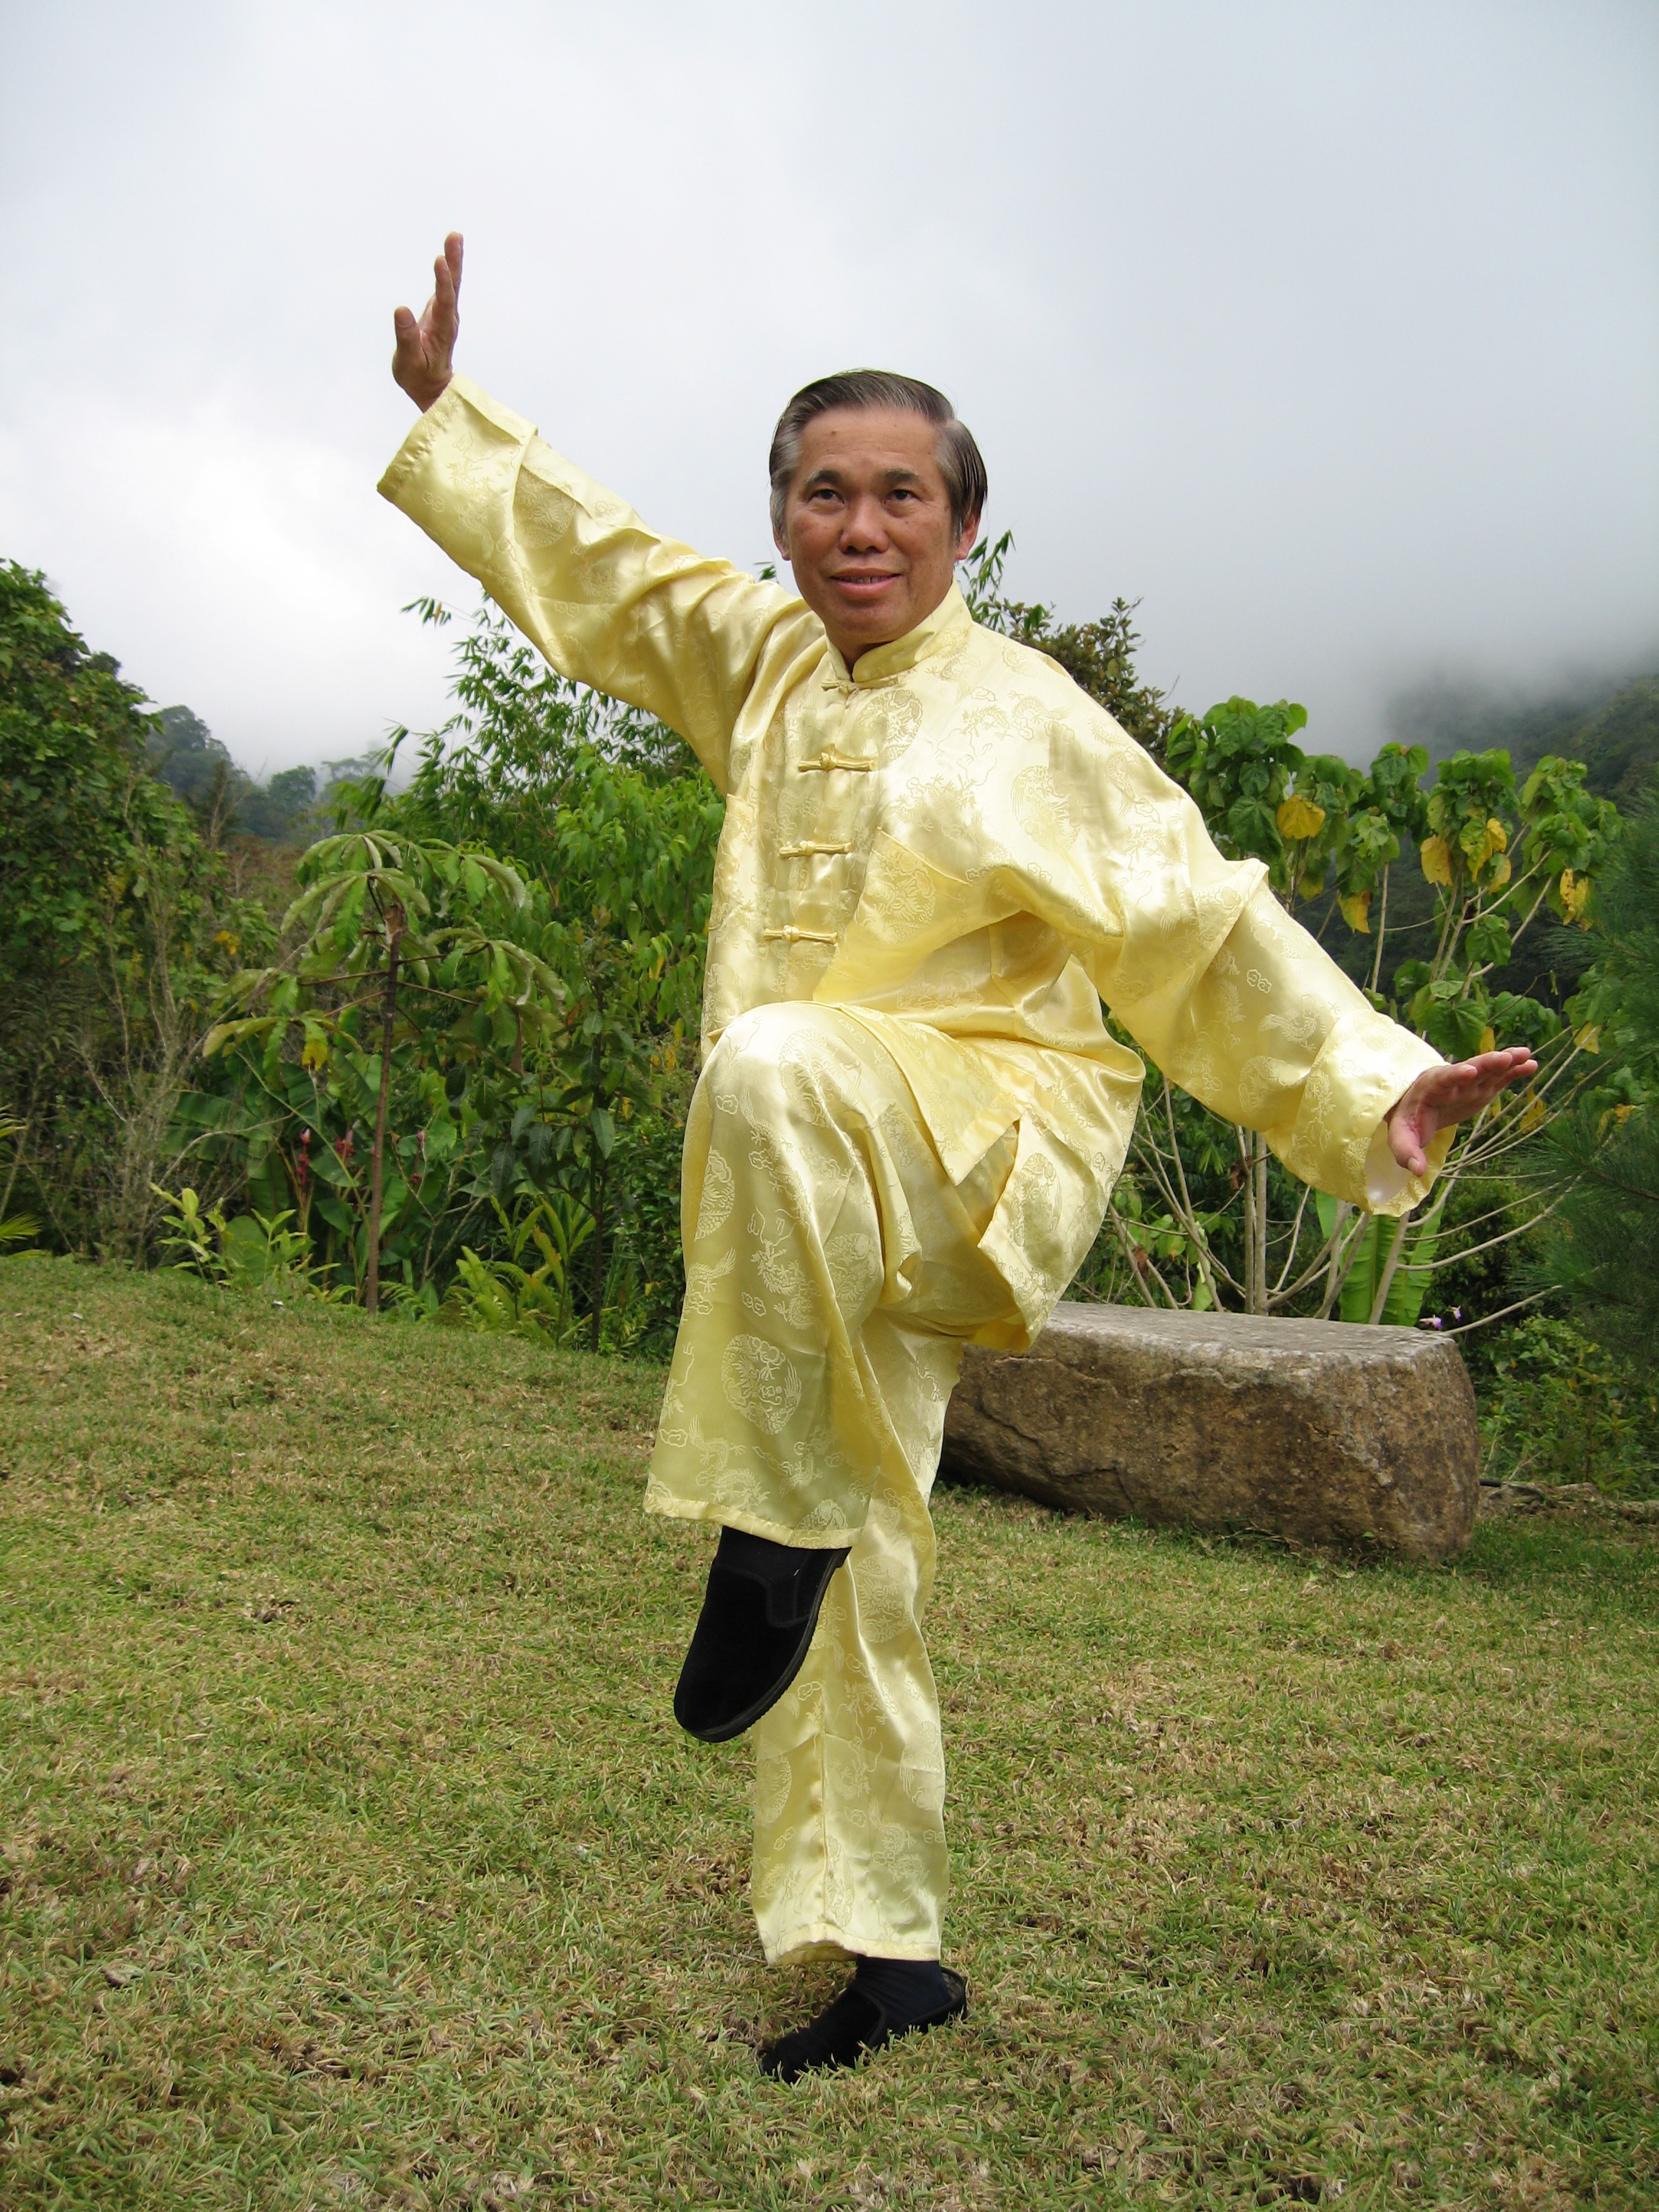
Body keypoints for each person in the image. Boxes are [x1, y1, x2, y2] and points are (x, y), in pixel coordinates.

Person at [382, 233, 1535, 2081]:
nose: (860, 526)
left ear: (962, 528)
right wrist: (453, 416)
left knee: (765, 1070)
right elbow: (598, 572)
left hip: (986, 1141)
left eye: (898, 494)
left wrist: (1374, 1087)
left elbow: (1193, 921)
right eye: (822, 492)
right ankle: (885, 1945)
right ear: (780, 520)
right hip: (811, 1178)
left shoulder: (1028, 718)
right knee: (871, 1532)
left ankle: (765, 1531)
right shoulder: (757, 664)